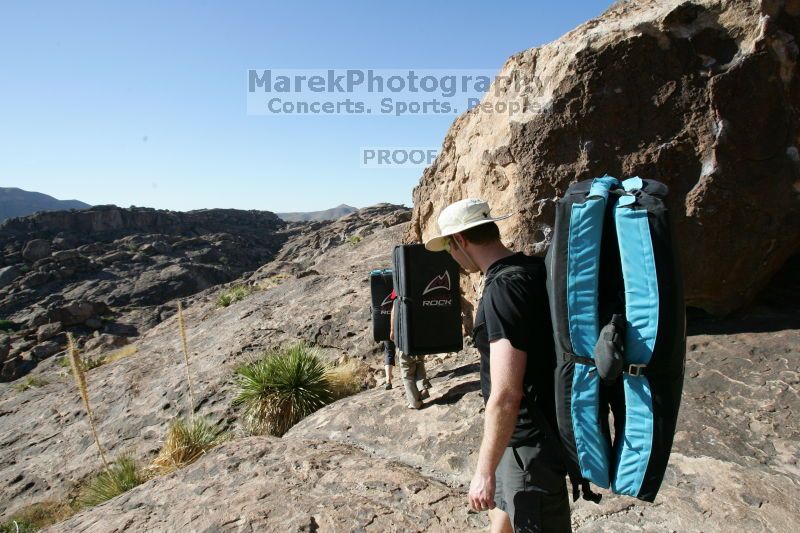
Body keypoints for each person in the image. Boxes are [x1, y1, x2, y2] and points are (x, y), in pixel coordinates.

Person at [425, 198, 570, 533]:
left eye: (448, 246)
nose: (451, 257)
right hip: (516, 437)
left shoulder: (504, 288)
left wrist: (483, 470)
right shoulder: (529, 268)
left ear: (460, 240)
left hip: (530, 445)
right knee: (502, 518)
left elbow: (506, 393)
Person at [389, 288, 432, 409]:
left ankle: (415, 402)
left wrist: (392, 330)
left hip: (405, 335)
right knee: (419, 361)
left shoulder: (400, 283)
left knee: (406, 370)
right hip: (421, 333)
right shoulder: (421, 284)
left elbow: (394, 308)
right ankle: (423, 387)